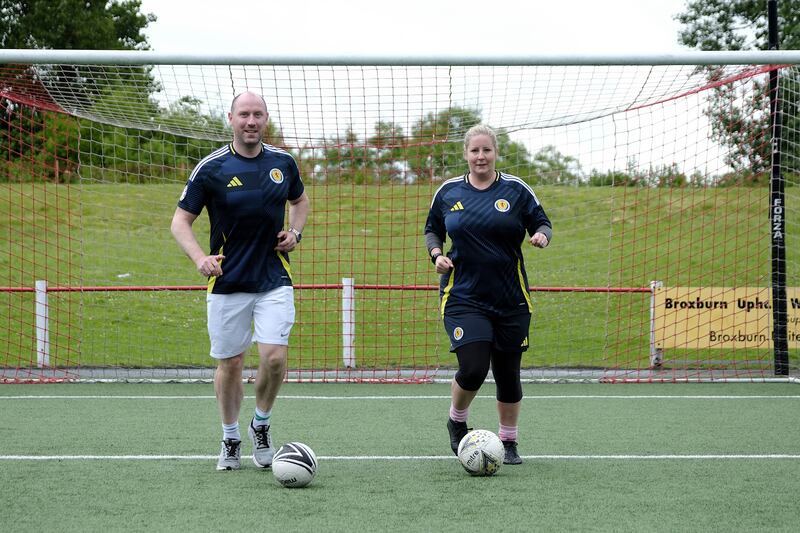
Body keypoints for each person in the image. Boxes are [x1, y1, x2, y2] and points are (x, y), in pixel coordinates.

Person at [171, 91, 310, 471]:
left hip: (273, 278)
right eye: (244, 114)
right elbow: (180, 221)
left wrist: (295, 234)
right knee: (230, 363)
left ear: (266, 120)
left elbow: (300, 202)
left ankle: (260, 425)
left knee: (275, 358)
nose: (251, 121)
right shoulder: (211, 167)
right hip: (227, 281)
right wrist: (200, 258)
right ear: (231, 118)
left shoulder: (283, 162)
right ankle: (230, 436)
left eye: (258, 115)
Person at [424, 124, 551, 465]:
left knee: (508, 373)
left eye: (487, 150)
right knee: (474, 366)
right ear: (466, 155)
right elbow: (432, 229)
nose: (480, 156)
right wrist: (437, 255)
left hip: (511, 298)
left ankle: (508, 442)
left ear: (496, 153)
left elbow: (542, 222)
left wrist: (541, 236)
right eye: (474, 151)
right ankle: (457, 420)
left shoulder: (516, 190)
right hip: (463, 296)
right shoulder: (449, 193)